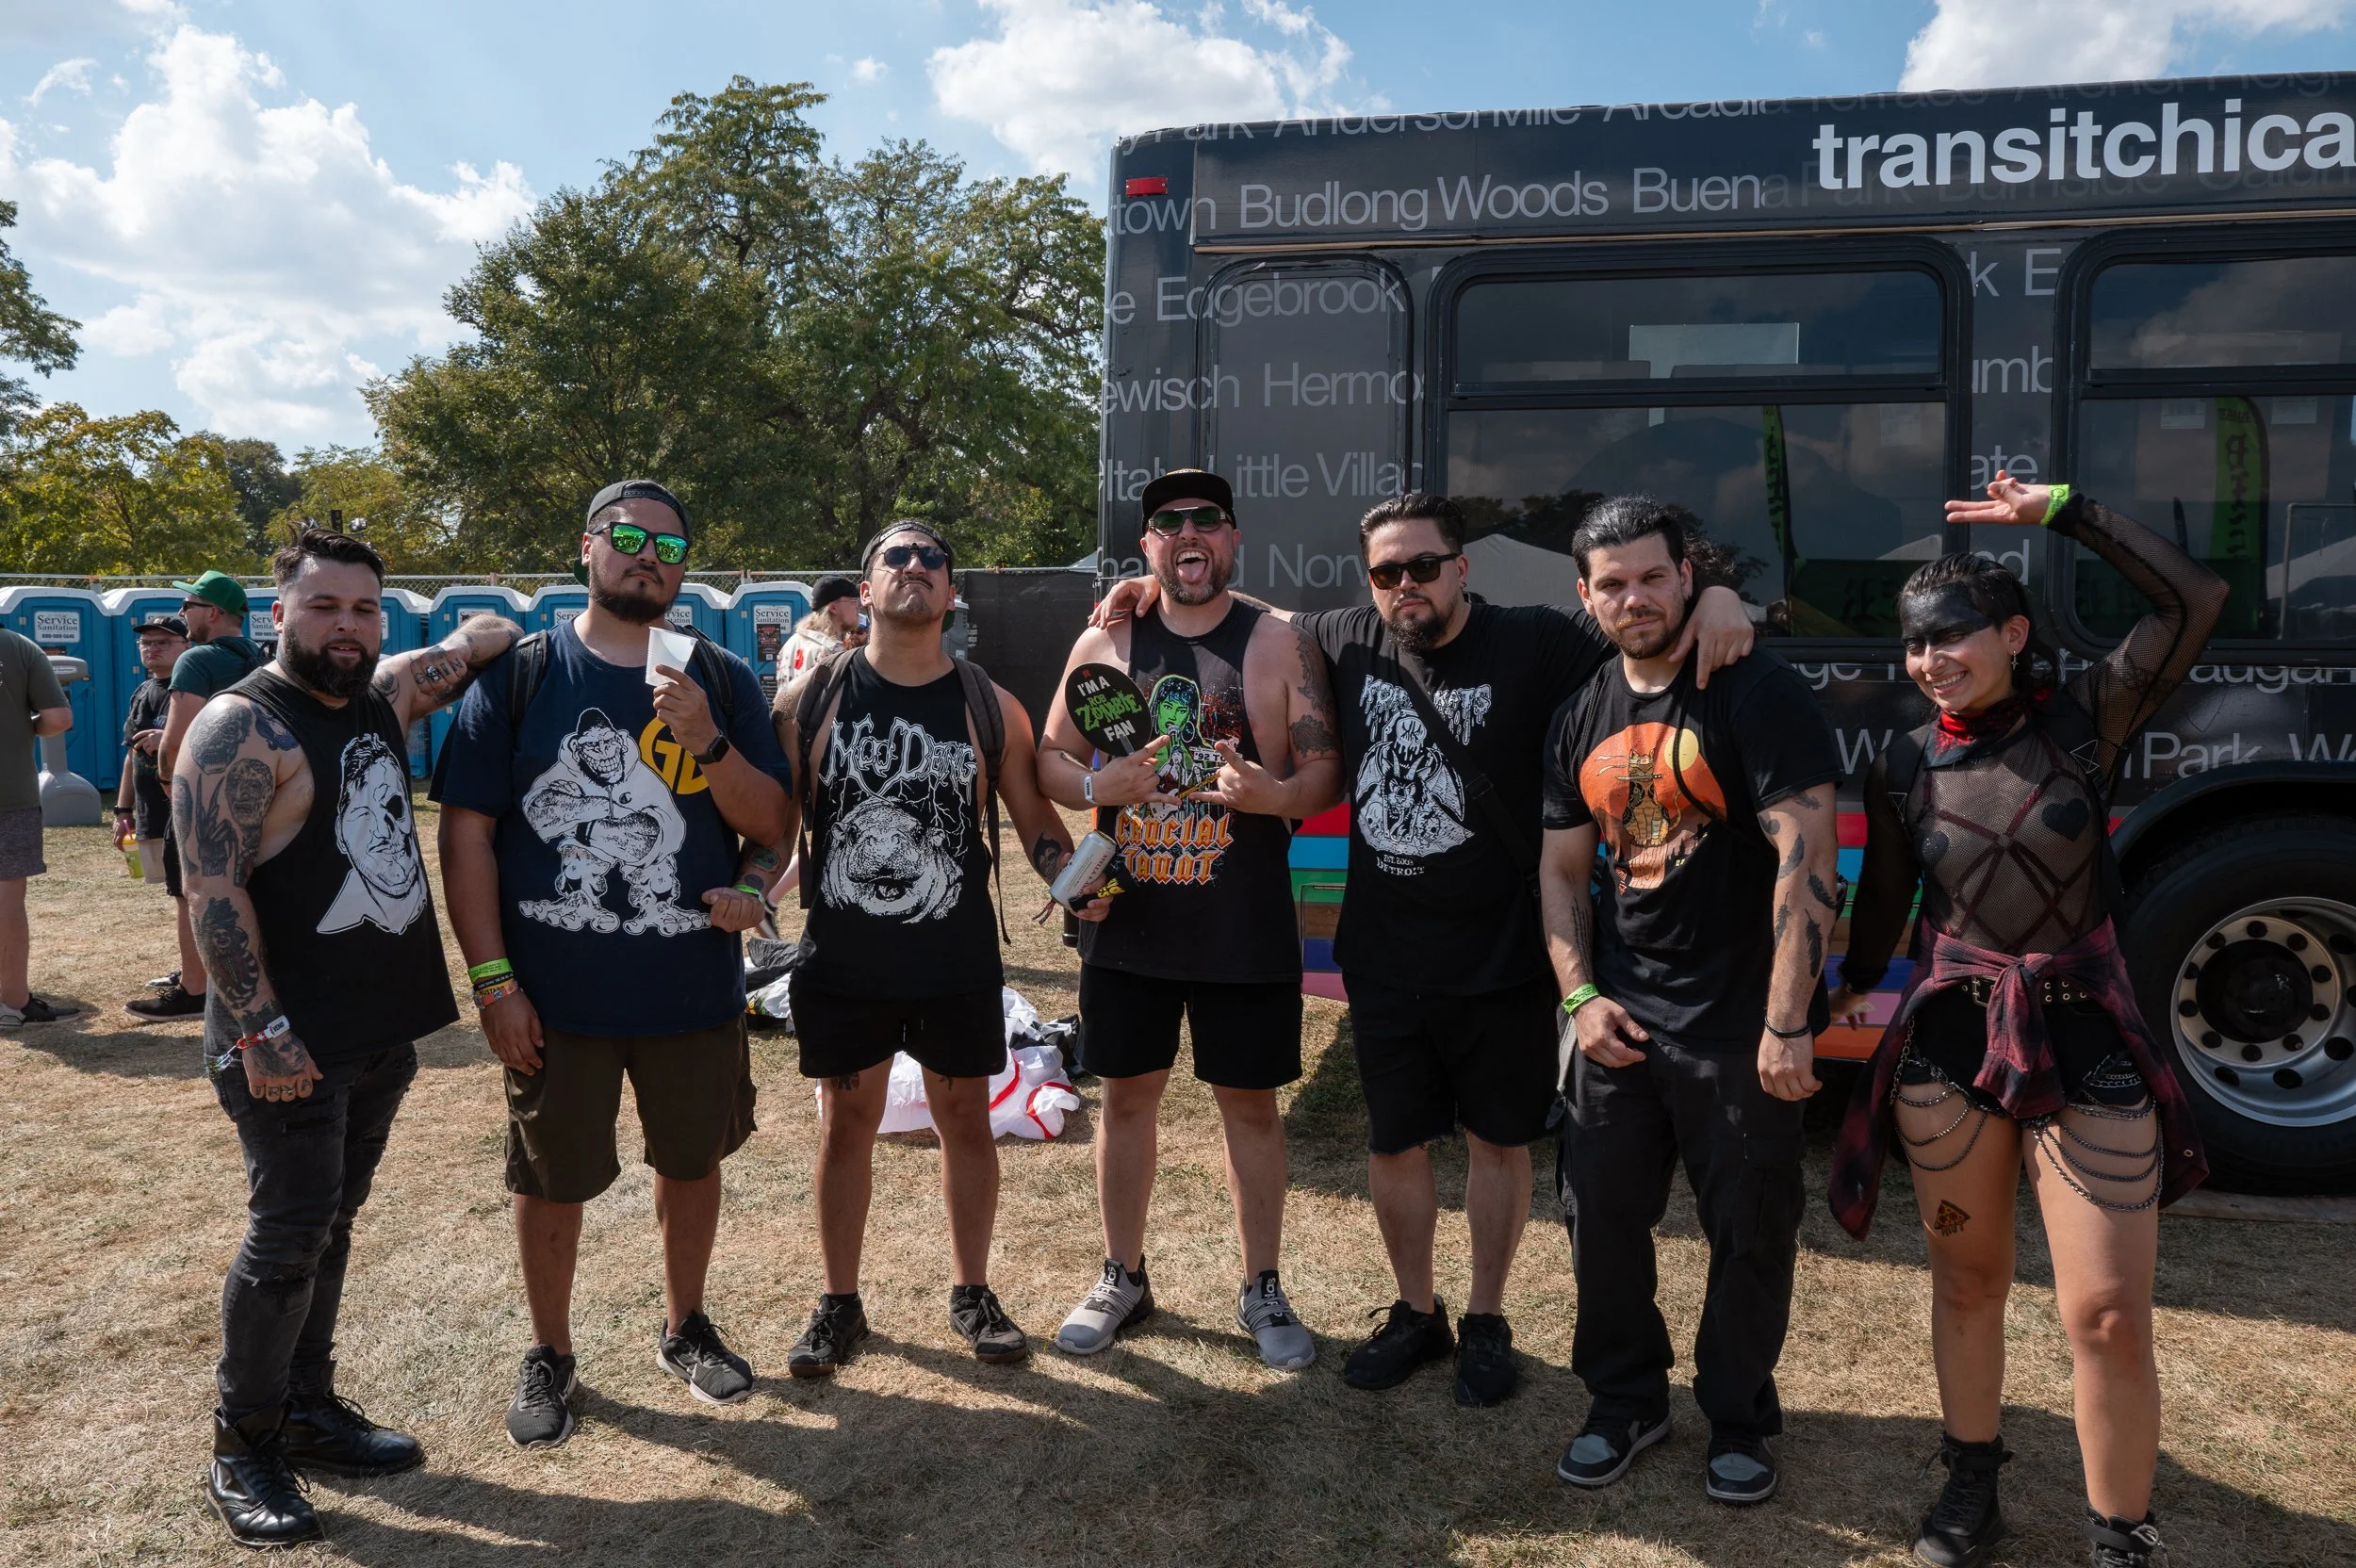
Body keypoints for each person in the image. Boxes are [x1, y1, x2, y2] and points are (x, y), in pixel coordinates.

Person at [1090, 492, 1758, 1405]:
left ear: (1460, 567)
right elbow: (1238, 611)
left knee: (1497, 1138)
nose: (1405, 584)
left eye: (1422, 565)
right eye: (1385, 571)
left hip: (1504, 951)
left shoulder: (1535, 639)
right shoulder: (1342, 634)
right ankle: (1416, 1310)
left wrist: (1716, 595)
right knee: (1396, 1140)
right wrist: (1147, 583)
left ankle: (1485, 1317)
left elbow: (1640, 623)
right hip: (1383, 948)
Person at [1824, 477, 2224, 1568]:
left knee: (2103, 1310)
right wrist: (1839, 994)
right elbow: (1887, 899)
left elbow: (2192, 597)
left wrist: (2067, 513)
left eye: (1951, 636)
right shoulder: (1906, 758)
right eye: (1913, 643)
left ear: (2012, 633)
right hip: (1949, 1035)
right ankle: (1969, 1486)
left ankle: (2120, 1532)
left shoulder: (2092, 716)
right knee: (1966, 1280)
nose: (1929, 657)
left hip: (2084, 1027)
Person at [434, 480, 793, 1450]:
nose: (650, 556)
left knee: (693, 1159)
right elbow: (467, 838)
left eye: (670, 545)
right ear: (587, 547)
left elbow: (772, 823)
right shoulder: (524, 675)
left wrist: (705, 740)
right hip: (554, 998)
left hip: (691, 989)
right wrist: (495, 982)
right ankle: (550, 1351)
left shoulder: (717, 675)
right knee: (550, 1175)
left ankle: (684, 1323)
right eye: (629, 537)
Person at [176, 530, 519, 1547]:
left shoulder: (383, 695)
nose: (346, 625)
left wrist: (490, 636)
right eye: (323, 605)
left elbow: (481, 633)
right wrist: (262, 1027)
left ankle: (309, 1406)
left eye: (365, 608)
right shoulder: (244, 729)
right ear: (277, 611)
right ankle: (243, 1445)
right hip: (286, 1040)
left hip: (381, 1030)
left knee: (330, 1224)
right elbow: (213, 886)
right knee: (286, 1237)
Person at [1539, 494, 1841, 1507]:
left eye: (1653, 576)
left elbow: (1806, 852)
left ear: (1687, 576)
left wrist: (1787, 1019)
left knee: (1749, 1229)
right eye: (1611, 582)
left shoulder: (1753, 690)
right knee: (1599, 1220)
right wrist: (1579, 995)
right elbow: (1558, 868)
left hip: (1738, 1024)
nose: (1634, 597)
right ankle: (1624, 1398)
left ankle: (1739, 1413)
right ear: (1584, 596)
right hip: (1617, 1019)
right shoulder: (1580, 707)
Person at [1037, 469, 1344, 1370]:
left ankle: (1262, 1286)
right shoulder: (1108, 637)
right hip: (1128, 923)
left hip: (1241, 924)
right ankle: (1121, 1275)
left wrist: (1276, 793)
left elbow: (1324, 768)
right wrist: (1101, 786)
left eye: (1206, 519)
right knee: (1126, 1098)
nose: (1188, 533)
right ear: (1148, 546)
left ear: (1233, 537)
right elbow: (1051, 755)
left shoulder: (1278, 641)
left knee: (1249, 1106)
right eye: (1169, 523)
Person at [766, 520, 1088, 1376]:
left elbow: (1037, 828)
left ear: (952, 594)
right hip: (843, 960)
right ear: (864, 590)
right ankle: (839, 1303)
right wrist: (746, 886)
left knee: (966, 1126)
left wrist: (1083, 885)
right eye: (894, 559)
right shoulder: (811, 700)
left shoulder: (991, 705)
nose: (914, 568)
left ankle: (972, 1291)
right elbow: (773, 829)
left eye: (931, 560)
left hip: (955, 960)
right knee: (846, 1130)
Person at [117, 615, 207, 1020]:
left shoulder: (192, 688)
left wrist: (169, 739)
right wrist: (123, 810)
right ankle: (195, 972)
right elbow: (131, 754)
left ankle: (197, 987)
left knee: (191, 896)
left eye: (162, 642)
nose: (151, 648)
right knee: (178, 894)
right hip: (156, 812)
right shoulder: (143, 691)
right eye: (146, 643)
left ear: (186, 646)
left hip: (189, 809)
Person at [0, 624, 73, 1029]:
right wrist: (21, 726)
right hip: (8, 791)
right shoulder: (20, 647)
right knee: (7, 895)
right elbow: (59, 718)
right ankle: (11, 1001)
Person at [159, 568, 270, 787]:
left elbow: (175, 744)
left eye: (187, 605)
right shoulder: (263, 656)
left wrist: (166, 782)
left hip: (209, 787)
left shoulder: (196, 660)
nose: (181, 613)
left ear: (212, 613)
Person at [781, 574, 861, 681]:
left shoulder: (791, 643)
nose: (858, 606)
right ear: (833, 608)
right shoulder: (832, 651)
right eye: (853, 601)